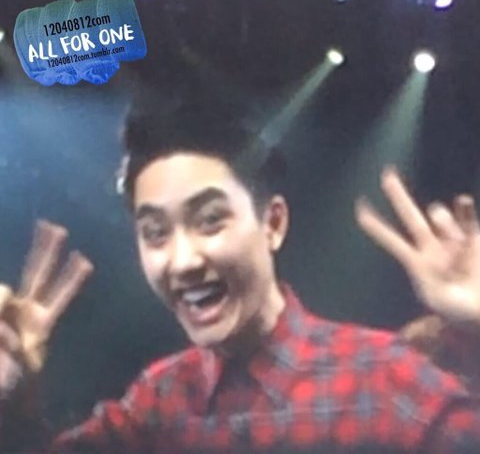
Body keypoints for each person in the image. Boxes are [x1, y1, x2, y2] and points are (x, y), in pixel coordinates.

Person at [1, 92, 480, 454]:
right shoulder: (158, 401)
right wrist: (13, 398)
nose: (183, 260)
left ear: (273, 223)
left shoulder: (383, 381)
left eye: (210, 220)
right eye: (155, 233)